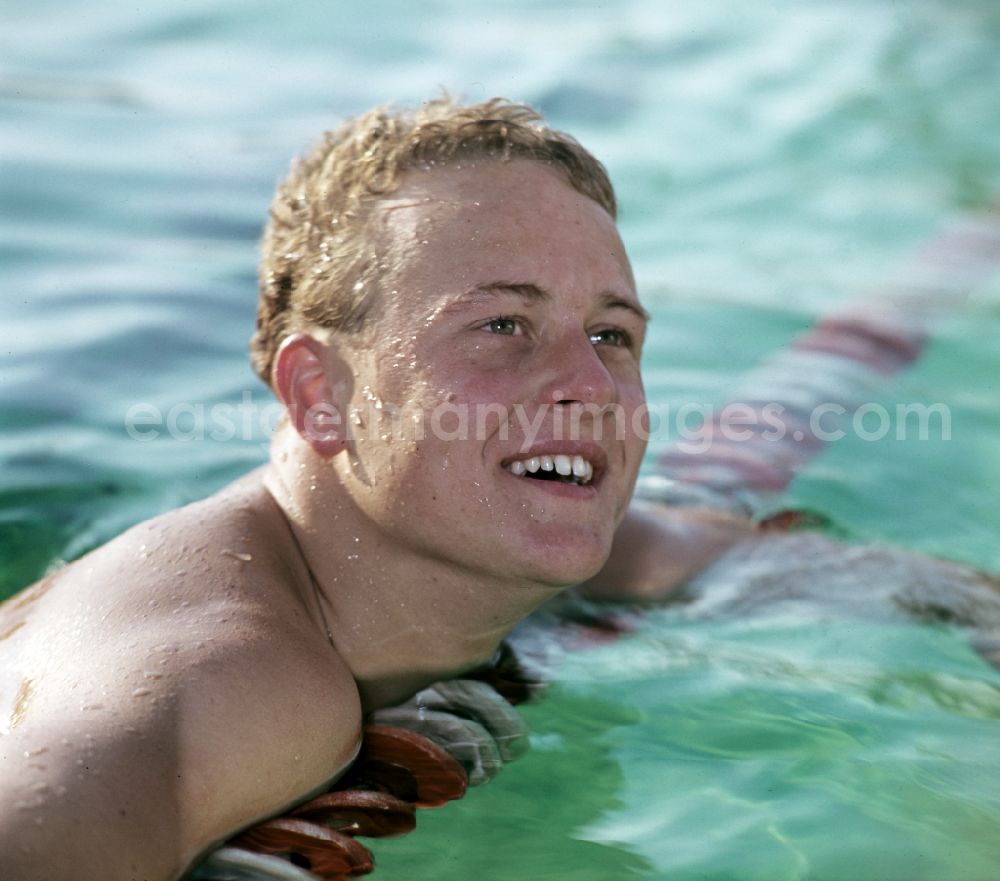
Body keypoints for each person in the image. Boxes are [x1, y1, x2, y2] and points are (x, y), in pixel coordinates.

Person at [0, 96, 754, 881]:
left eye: (612, 335)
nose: (592, 385)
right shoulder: (232, 681)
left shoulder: (511, 543)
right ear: (321, 395)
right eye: (502, 323)